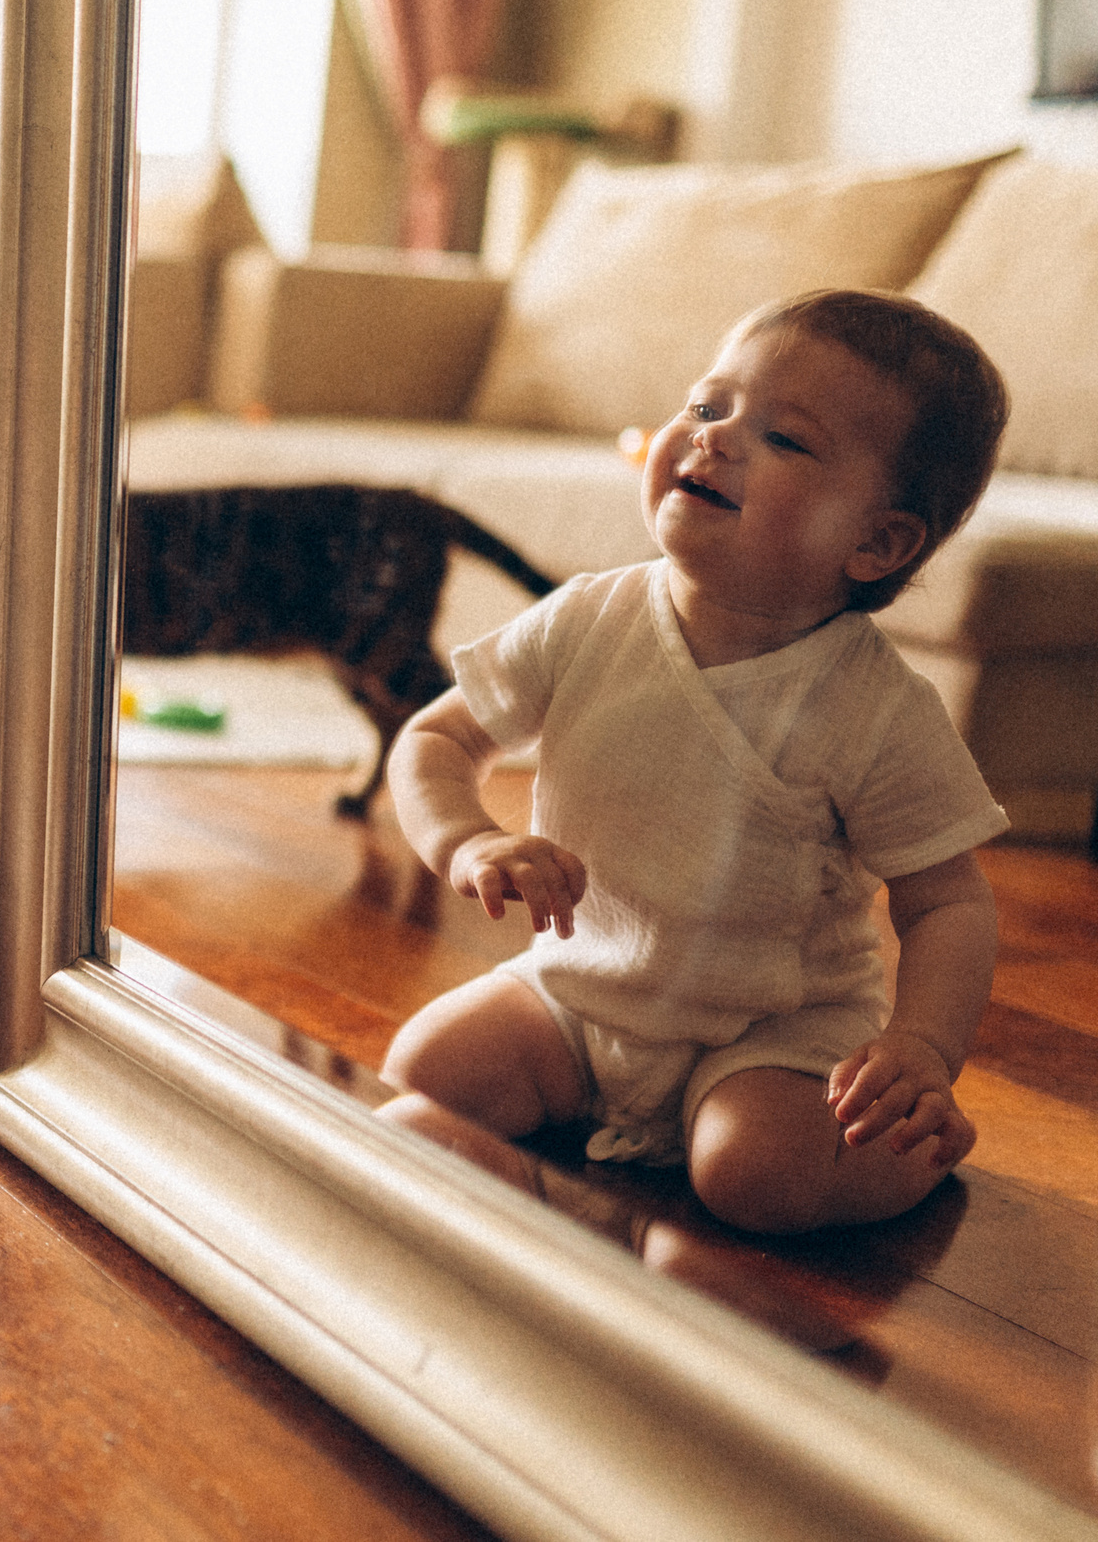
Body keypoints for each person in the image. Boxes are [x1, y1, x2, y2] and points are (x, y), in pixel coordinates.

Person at [380, 287, 1010, 1237]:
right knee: (427, 1069)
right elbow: (434, 739)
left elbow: (948, 901)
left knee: (753, 1174)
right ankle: (586, 1131)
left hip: (776, 1034)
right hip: (581, 994)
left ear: (877, 541)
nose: (712, 438)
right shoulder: (587, 617)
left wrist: (920, 1047)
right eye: (708, 406)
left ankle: (912, 1149)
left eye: (785, 439)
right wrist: (468, 840)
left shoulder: (874, 709)